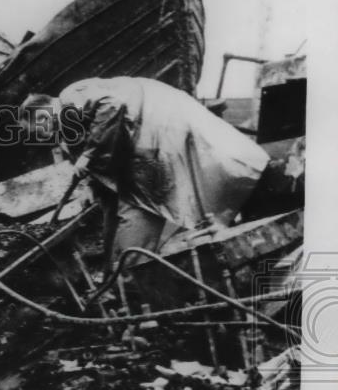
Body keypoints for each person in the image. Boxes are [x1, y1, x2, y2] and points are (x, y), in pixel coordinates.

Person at [19, 77, 272, 272]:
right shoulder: (66, 126)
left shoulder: (69, 97)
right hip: (144, 150)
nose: (40, 137)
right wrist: (93, 186)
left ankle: (133, 280)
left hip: (159, 125)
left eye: (36, 130)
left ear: (42, 113)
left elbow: (111, 105)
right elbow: (100, 165)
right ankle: (116, 277)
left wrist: (89, 155)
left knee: (163, 198)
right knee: (119, 208)